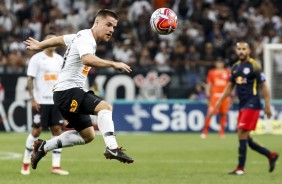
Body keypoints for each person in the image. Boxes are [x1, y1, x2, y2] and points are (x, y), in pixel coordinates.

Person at [24, 9, 134, 170]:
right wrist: (112, 63)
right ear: (97, 22)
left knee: (88, 136)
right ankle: (112, 147)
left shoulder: (80, 36)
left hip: (64, 94)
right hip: (69, 91)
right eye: (108, 24)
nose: (111, 29)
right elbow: (87, 59)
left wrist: (40, 44)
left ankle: (43, 146)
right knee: (105, 107)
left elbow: (60, 39)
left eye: (114, 27)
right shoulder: (86, 38)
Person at [215, 42, 279, 175]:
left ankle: (240, 168)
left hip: (253, 103)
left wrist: (267, 105)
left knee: (241, 133)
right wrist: (220, 100)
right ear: (236, 51)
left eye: (244, 49)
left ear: (249, 51)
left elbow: (264, 86)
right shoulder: (235, 67)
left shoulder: (254, 66)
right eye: (239, 49)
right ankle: (271, 155)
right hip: (242, 104)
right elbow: (230, 86)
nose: (241, 51)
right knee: (246, 139)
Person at [20, 33, 69, 175]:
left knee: (57, 131)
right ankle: (25, 164)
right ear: (44, 42)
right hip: (40, 101)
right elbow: (30, 80)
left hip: (56, 102)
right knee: (36, 131)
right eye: (50, 40)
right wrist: (32, 99)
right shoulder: (37, 59)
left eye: (54, 40)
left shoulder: (60, 60)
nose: (53, 42)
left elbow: (63, 81)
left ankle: (55, 167)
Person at [201, 58, 231, 139]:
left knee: (224, 114)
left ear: (223, 64)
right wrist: (207, 94)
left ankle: (221, 132)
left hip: (225, 96)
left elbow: (231, 84)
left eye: (221, 62)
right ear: (216, 63)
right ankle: (205, 131)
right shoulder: (212, 72)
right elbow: (209, 84)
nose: (219, 64)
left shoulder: (227, 72)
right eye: (218, 62)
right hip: (215, 96)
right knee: (210, 113)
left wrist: (231, 95)